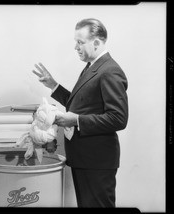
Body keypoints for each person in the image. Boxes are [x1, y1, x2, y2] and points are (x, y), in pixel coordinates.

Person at [32, 18, 128, 207]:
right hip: (85, 157)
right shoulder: (93, 67)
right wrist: (53, 85)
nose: (76, 47)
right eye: (76, 42)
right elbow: (81, 104)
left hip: (97, 160)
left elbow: (119, 118)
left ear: (97, 42)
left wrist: (76, 120)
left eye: (80, 42)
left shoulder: (109, 71)